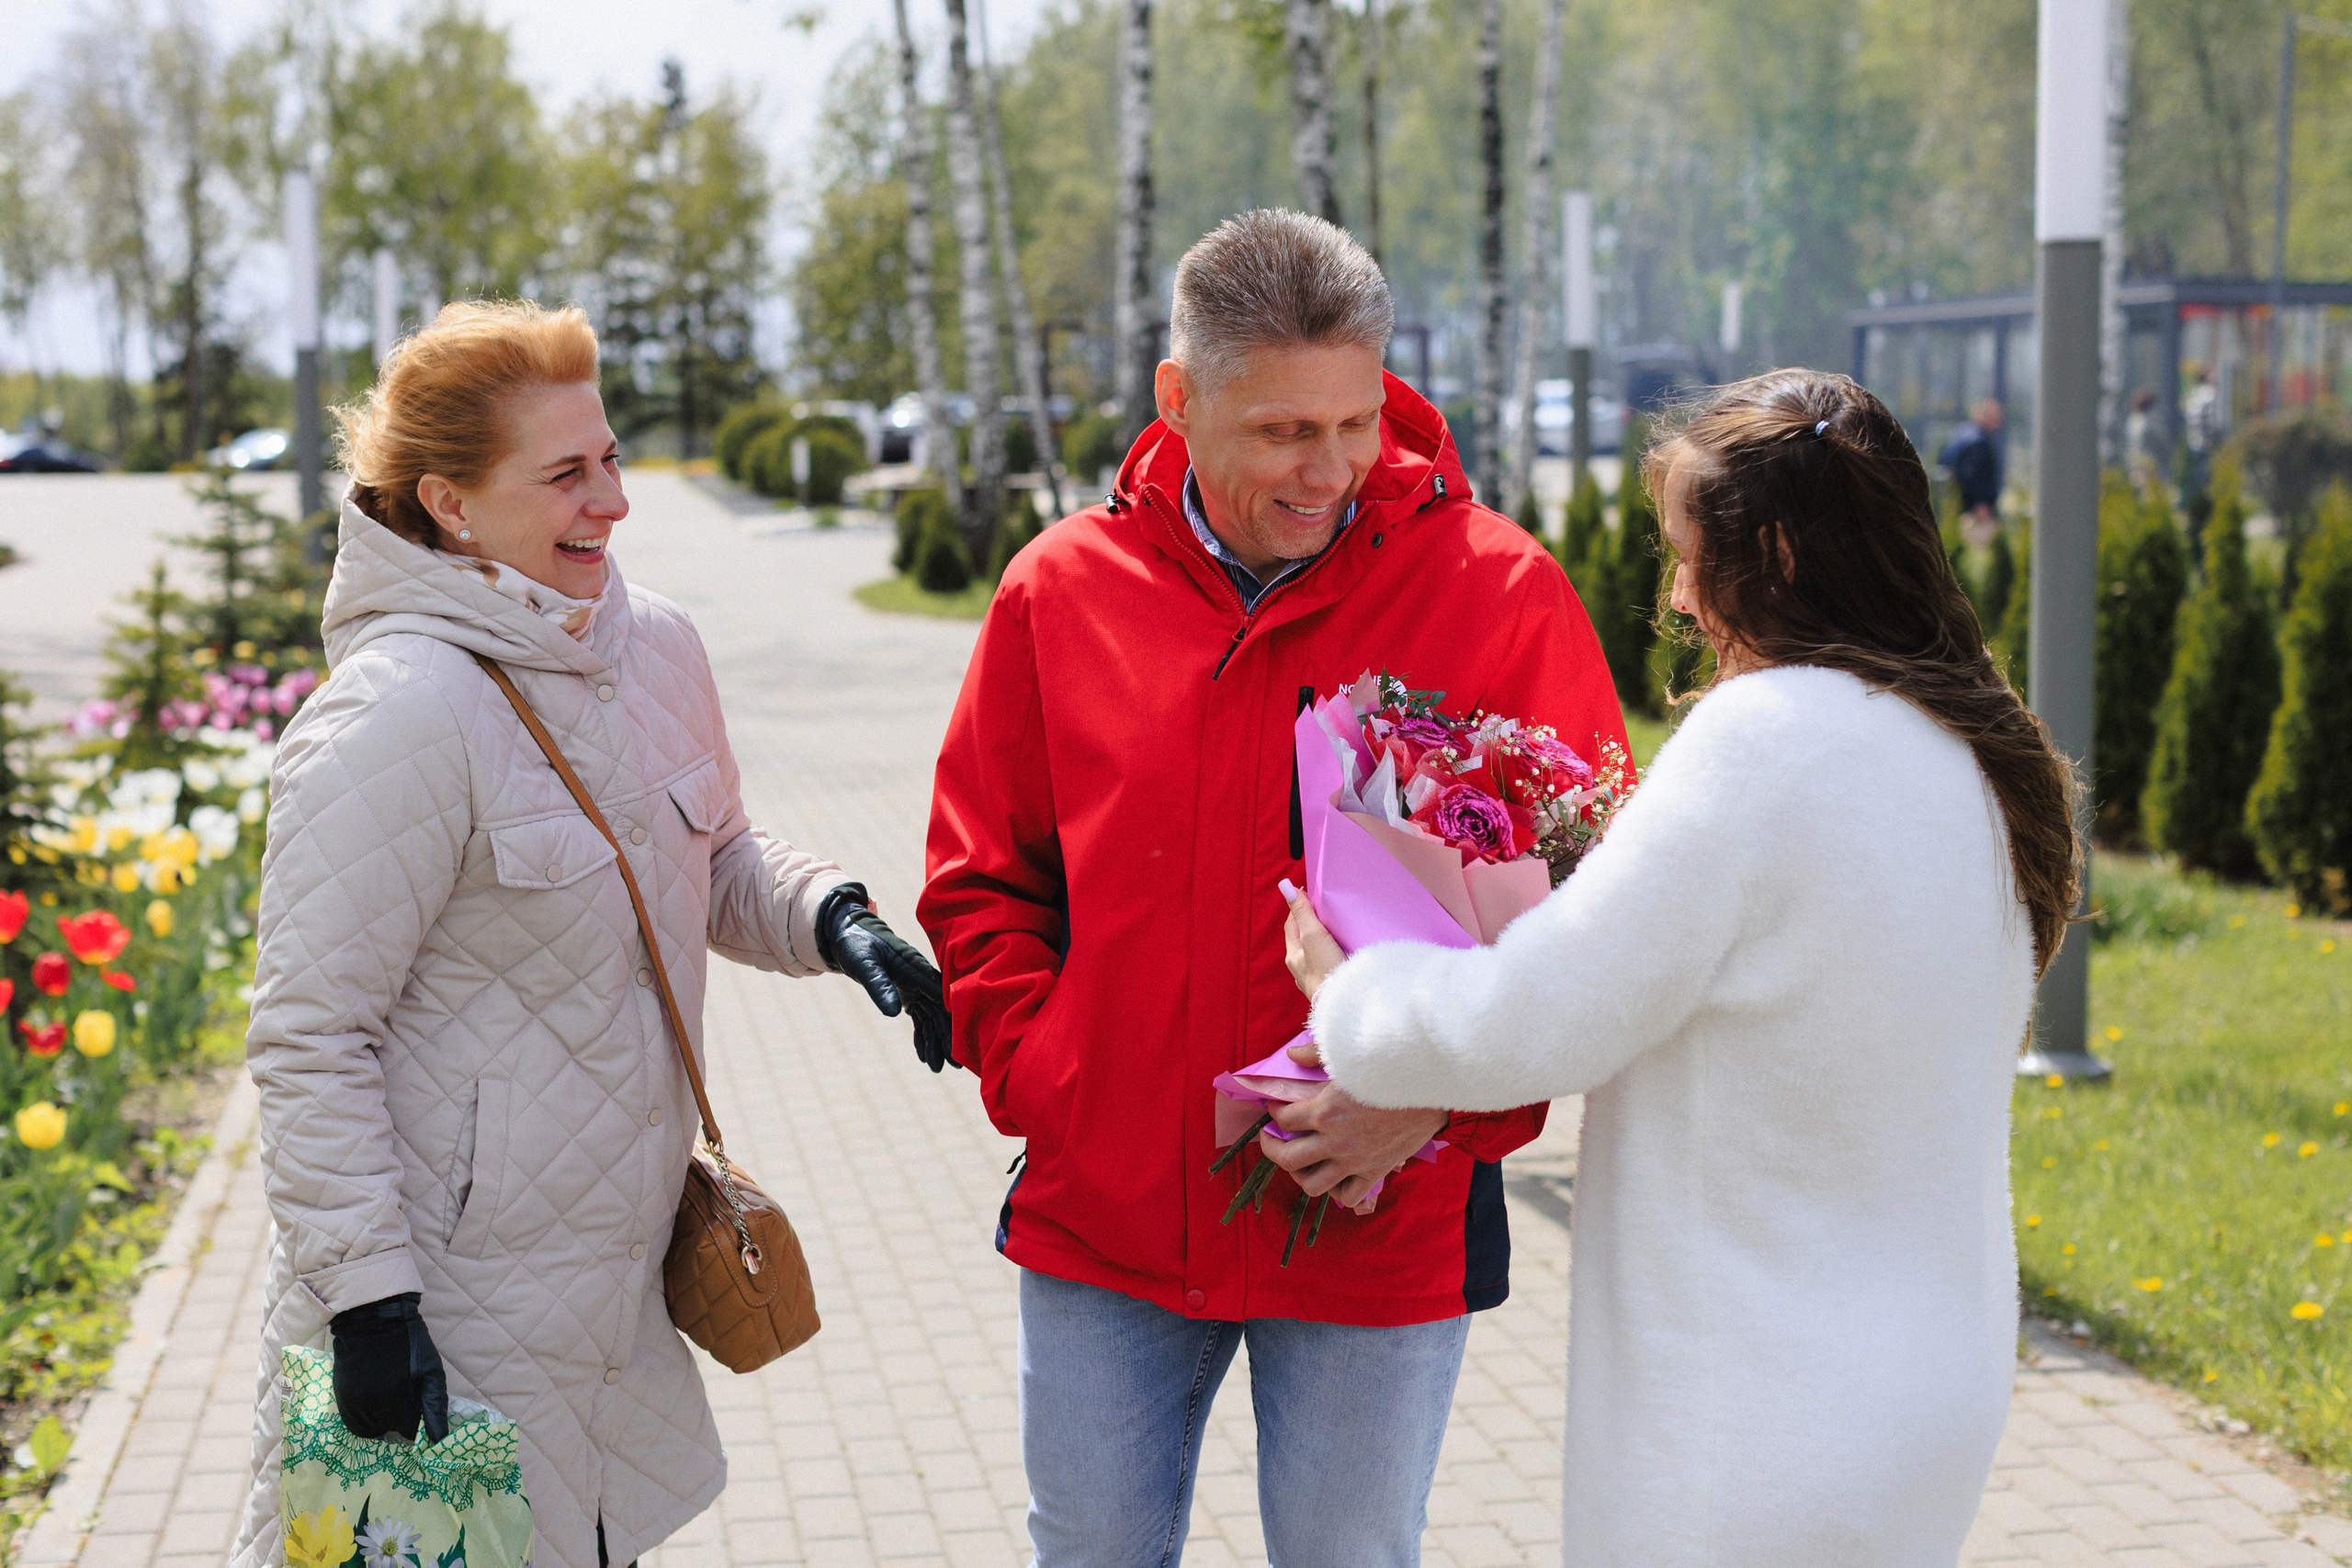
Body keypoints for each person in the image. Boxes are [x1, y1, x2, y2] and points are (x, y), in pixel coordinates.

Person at [1278, 368, 2081, 1566]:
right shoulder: (1965, 753)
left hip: (1760, 1414)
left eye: (1693, 554)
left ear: (1782, 562)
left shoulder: (1765, 742)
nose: (1679, 592)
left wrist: (1349, 990)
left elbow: (1534, 1018)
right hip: (1923, 1391)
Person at [919, 209, 1624, 1566]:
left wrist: (1435, 1099)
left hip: (1383, 1214)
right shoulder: (1058, 593)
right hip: (1108, 1217)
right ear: (1181, 402)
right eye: (1284, 433)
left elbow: (1595, 919)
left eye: (1356, 422)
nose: (1335, 471)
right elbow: (982, 881)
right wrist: (1053, 1077)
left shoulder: (1499, 594)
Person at [230, 300, 950, 1568]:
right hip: (443, 1316)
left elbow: (718, 853)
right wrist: (368, 1303)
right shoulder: (392, 715)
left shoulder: (655, 645)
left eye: (609, 458)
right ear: (450, 504)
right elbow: (308, 1036)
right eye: (566, 474)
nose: (612, 500)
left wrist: (839, 920)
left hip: (606, 1299)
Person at [1939, 396, 2005, 530]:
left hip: (1959, 503)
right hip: (1972, 508)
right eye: (1995, 417)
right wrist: (1979, 503)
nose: (1999, 422)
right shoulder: (1977, 442)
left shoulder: (1965, 434)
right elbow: (1971, 475)